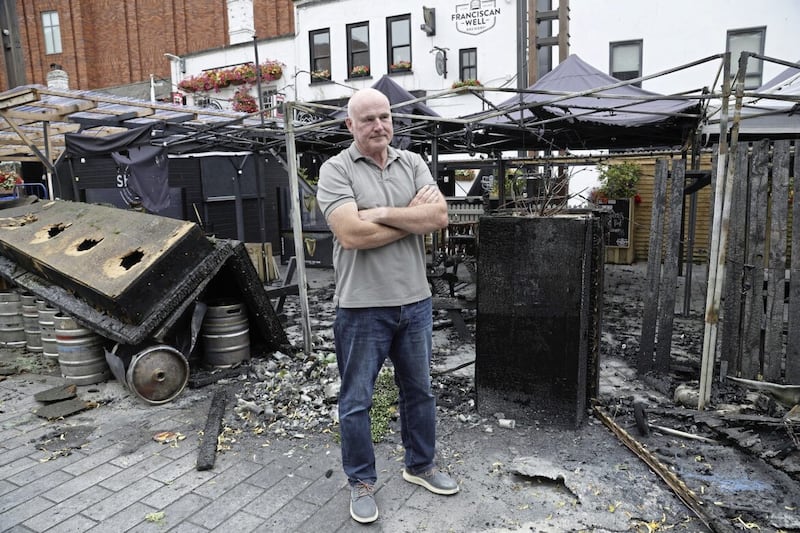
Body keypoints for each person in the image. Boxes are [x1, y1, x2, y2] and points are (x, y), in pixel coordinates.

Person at [316, 87, 459, 524]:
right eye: (368, 120)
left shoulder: (412, 162)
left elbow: (438, 218)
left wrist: (376, 212)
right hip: (361, 307)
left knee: (420, 392)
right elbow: (351, 236)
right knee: (356, 401)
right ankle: (361, 482)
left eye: (384, 117)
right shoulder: (334, 170)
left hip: (415, 302)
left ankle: (421, 466)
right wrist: (404, 216)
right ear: (350, 126)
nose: (379, 126)